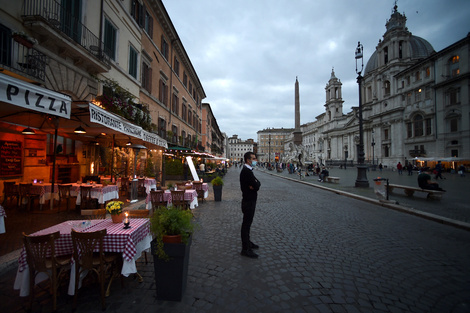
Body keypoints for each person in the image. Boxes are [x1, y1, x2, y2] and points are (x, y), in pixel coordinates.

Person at [239, 152, 261, 258]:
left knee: (248, 224)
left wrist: (256, 184)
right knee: (246, 225)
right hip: (248, 201)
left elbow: (257, 183)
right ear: (248, 160)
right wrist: (255, 184)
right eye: (254, 158)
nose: (255, 160)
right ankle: (245, 248)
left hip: (249, 200)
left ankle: (248, 242)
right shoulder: (246, 172)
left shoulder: (248, 171)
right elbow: (256, 185)